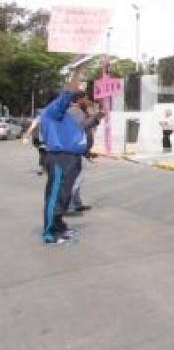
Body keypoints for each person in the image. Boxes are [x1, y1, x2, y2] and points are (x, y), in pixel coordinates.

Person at [39, 68, 88, 244]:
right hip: (61, 158)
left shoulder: (62, 115)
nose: (69, 101)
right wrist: (77, 73)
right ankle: (49, 231)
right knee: (56, 195)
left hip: (71, 158)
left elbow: (76, 132)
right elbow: (68, 93)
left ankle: (58, 224)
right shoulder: (52, 111)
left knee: (65, 195)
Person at [67, 96, 103, 213]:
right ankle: (69, 205)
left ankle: (76, 203)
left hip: (80, 149)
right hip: (73, 149)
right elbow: (81, 126)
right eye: (86, 99)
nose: (88, 102)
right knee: (76, 179)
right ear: (79, 99)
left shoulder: (80, 111)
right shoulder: (74, 111)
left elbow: (89, 125)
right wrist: (95, 117)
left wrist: (96, 117)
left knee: (78, 178)